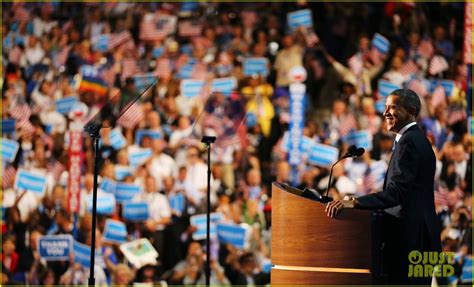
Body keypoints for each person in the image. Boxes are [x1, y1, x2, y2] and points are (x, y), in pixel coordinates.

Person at [326, 89, 442, 285]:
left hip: (411, 240)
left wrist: (354, 203)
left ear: (411, 110)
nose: (385, 112)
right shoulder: (413, 139)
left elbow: (397, 193)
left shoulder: (410, 142)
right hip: (416, 237)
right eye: (386, 107)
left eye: (393, 107)